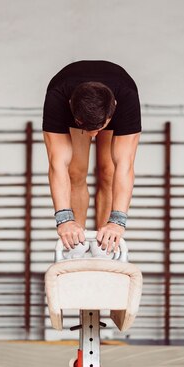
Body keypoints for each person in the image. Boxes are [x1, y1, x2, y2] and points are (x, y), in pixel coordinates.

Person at [42, 60, 141, 253]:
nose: (94, 135)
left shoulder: (126, 96)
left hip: (115, 97)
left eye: (98, 129)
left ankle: (105, 244)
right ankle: (75, 241)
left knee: (109, 172)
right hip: (70, 100)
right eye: (88, 129)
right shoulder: (58, 96)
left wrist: (118, 222)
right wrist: (64, 220)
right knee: (75, 172)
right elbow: (57, 164)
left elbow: (125, 165)